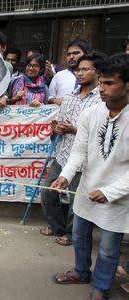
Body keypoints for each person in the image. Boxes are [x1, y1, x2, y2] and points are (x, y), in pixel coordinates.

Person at [50, 53, 129, 300]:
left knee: (107, 249)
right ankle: (81, 272)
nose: (102, 89)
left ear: (127, 85)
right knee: (80, 236)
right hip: (87, 188)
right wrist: (64, 176)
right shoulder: (91, 114)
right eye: (101, 82)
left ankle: (101, 287)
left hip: (118, 198)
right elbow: (79, 152)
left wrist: (110, 192)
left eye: (110, 83)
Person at [39, 52, 104, 247]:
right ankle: (58, 227)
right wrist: (57, 127)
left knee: (78, 201)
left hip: (86, 160)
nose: (80, 73)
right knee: (48, 192)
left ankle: (71, 233)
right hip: (64, 154)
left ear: (97, 72)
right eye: (78, 70)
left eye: (85, 69)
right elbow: (62, 122)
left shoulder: (102, 99)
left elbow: (101, 133)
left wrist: (73, 129)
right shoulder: (69, 97)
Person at [48, 40, 91, 105]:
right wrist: (54, 101)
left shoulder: (93, 75)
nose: (71, 57)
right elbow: (49, 96)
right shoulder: (59, 75)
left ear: (86, 54)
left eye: (75, 53)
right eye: (68, 54)